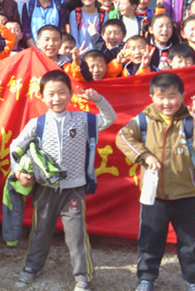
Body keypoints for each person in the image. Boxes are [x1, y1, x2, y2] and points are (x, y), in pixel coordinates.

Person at [12, 70, 117, 290]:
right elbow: (15, 147)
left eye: (62, 92)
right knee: (40, 231)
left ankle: (82, 277)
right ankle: (31, 268)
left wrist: (98, 100)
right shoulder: (37, 124)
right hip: (45, 189)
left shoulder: (83, 119)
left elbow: (110, 119)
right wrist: (18, 173)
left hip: (74, 189)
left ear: (70, 93)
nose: (56, 98)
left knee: (76, 236)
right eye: (50, 94)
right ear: (42, 96)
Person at [116, 72, 195, 291]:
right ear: (151, 97)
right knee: (150, 241)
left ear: (182, 95)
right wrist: (145, 155)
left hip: (188, 195)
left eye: (172, 96)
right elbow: (123, 137)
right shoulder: (143, 119)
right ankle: (146, 279)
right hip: (154, 195)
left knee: (192, 243)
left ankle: (193, 280)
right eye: (160, 97)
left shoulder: (191, 120)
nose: (166, 103)